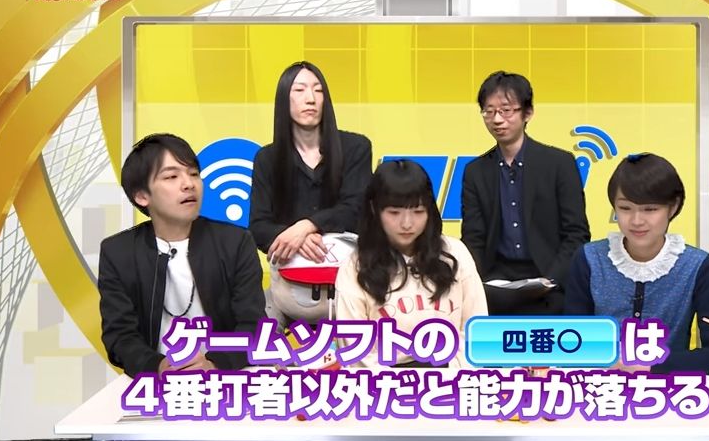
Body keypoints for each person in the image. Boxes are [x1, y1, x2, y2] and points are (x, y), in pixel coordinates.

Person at [98, 133, 266, 377]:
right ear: (142, 195)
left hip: (226, 377)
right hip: (156, 382)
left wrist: (214, 363)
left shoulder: (235, 242)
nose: (189, 184)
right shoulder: (118, 252)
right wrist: (158, 366)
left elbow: (254, 326)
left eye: (194, 174)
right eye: (171, 176)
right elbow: (120, 336)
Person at [564, 153, 709, 373]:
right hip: (598, 386)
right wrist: (607, 362)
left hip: (668, 388)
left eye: (650, 209)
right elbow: (570, 342)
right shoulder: (589, 259)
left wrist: (649, 367)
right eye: (625, 208)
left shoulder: (698, 267)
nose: (636, 221)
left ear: (672, 207)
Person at [248, 61, 372, 325]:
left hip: (350, 286)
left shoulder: (356, 148)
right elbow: (258, 226)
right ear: (284, 99)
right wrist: (295, 238)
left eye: (318, 90)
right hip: (289, 288)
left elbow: (356, 209)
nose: (310, 99)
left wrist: (307, 226)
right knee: (260, 334)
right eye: (300, 90)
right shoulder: (267, 159)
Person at [461, 70, 590, 315]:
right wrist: (477, 283)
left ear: (527, 113)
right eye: (489, 111)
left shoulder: (559, 164)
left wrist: (552, 280)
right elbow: (473, 237)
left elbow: (576, 233)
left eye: (506, 110)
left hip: (550, 284)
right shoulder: (475, 171)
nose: (497, 119)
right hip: (495, 286)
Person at [336, 160, 488, 368]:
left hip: (452, 376)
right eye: (394, 213)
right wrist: (403, 383)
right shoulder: (355, 268)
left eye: (418, 212)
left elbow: (476, 333)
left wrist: (446, 376)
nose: (407, 223)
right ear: (374, 209)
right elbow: (356, 354)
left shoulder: (455, 254)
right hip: (385, 381)